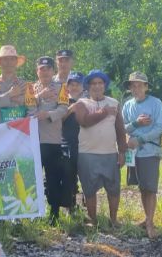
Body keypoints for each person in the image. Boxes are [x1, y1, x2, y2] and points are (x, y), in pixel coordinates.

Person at [72, 70, 127, 227]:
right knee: (89, 189)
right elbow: (84, 121)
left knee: (114, 188)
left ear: (105, 85)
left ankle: (114, 219)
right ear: (88, 86)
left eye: (100, 83)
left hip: (110, 153)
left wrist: (122, 151)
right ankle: (93, 219)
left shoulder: (114, 103)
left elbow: (120, 130)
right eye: (93, 83)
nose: (97, 86)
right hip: (87, 153)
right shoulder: (81, 104)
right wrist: (104, 112)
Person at [122, 72, 162, 239]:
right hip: (133, 153)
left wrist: (140, 138)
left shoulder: (156, 103)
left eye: (140, 85)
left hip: (150, 151)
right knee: (141, 186)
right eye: (133, 85)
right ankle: (147, 217)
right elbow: (123, 127)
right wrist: (136, 123)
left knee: (150, 187)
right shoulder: (127, 105)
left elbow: (161, 127)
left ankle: (150, 222)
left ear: (146, 87)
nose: (136, 88)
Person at [32, 56, 68, 220]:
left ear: (53, 71)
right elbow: (27, 109)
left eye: (47, 69)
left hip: (52, 140)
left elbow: (63, 110)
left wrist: (48, 114)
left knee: (53, 177)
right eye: (41, 69)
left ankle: (54, 214)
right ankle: (34, 214)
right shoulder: (30, 89)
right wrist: (40, 95)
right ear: (37, 71)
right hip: (33, 141)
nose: (44, 71)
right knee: (33, 178)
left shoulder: (62, 88)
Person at [0, 45, 29, 125]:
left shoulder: (23, 84)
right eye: (5, 59)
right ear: (0, 62)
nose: (9, 62)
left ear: (16, 62)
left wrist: (19, 100)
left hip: (18, 132)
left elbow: (31, 106)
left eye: (12, 59)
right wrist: (9, 95)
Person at [61, 71, 86, 212]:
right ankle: (70, 207)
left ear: (83, 86)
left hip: (85, 143)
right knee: (69, 176)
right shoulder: (62, 100)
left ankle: (87, 203)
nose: (75, 87)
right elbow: (58, 121)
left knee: (86, 175)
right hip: (67, 143)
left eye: (78, 84)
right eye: (72, 84)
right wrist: (70, 109)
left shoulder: (88, 101)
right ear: (67, 86)